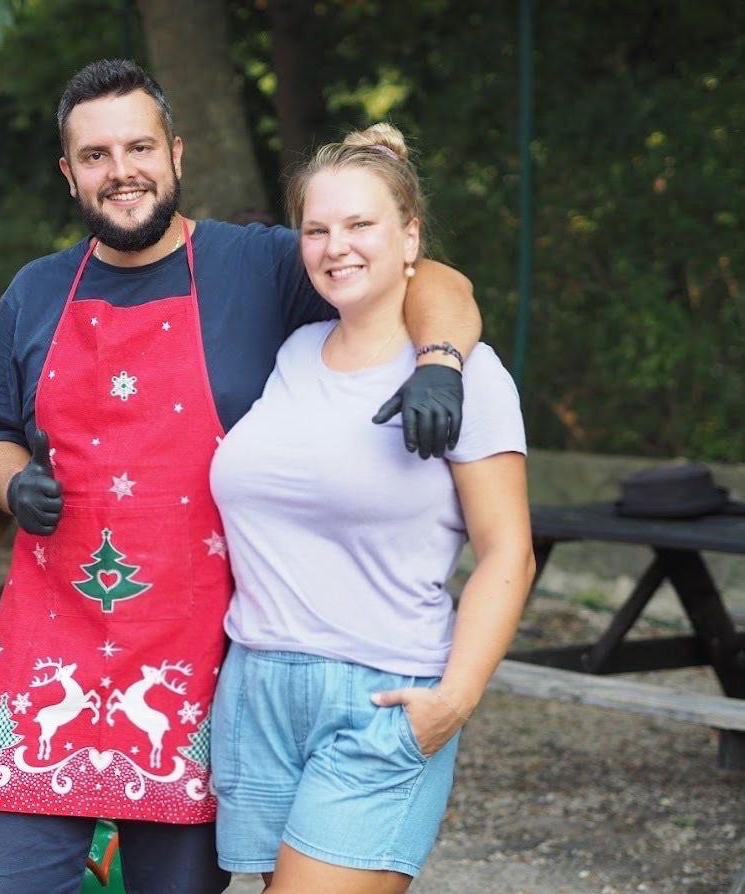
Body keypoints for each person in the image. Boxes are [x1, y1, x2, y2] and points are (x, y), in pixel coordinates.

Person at [0, 59, 481, 894]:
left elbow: (426, 276)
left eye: (138, 147)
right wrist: (12, 481)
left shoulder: (257, 265)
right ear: (68, 173)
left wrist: (442, 362)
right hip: (47, 642)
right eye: (95, 155)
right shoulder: (33, 291)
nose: (120, 170)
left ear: (175, 153)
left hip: (196, 656)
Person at [208, 123, 535, 892]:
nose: (336, 247)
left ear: (409, 236)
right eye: (316, 230)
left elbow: (508, 553)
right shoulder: (294, 352)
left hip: (379, 695)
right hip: (257, 688)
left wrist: (453, 699)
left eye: (360, 225)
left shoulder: (469, 376)